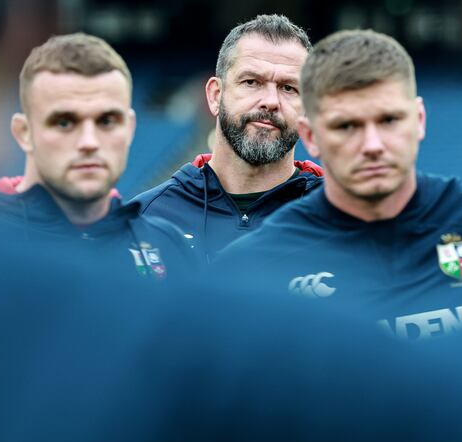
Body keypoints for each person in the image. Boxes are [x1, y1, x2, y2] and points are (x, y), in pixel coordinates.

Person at [213, 29, 462, 340]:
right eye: (347, 126)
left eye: (389, 120)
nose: (372, 144)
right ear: (310, 136)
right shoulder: (251, 269)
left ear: (418, 120)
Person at [0, 33, 196, 282]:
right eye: (64, 122)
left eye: (106, 121)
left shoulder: (167, 245)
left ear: (129, 128)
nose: (89, 142)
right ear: (24, 132)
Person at [132, 14, 324, 261]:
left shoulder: (343, 223)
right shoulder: (146, 220)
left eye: (289, 88)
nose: (270, 102)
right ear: (215, 96)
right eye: (251, 82)